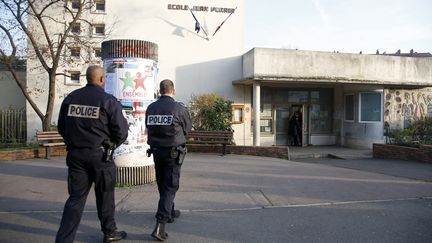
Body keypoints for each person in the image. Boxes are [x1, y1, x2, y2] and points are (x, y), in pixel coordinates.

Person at [55, 65, 129, 243]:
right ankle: (109, 233)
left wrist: (74, 143)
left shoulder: (71, 98)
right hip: (100, 156)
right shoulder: (108, 100)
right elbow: (122, 130)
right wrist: (111, 144)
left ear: (86, 78)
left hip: (76, 156)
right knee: (105, 196)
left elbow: (61, 126)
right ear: (102, 79)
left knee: (75, 199)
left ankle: (63, 240)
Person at [145, 79, 192, 241]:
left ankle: (170, 212)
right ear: (173, 90)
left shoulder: (151, 108)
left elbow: (148, 127)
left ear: (160, 90)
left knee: (162, 183)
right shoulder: (179, 108)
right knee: (171, 186)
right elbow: (187, 129)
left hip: (156, 152)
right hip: (173, 153)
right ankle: (160, 224)